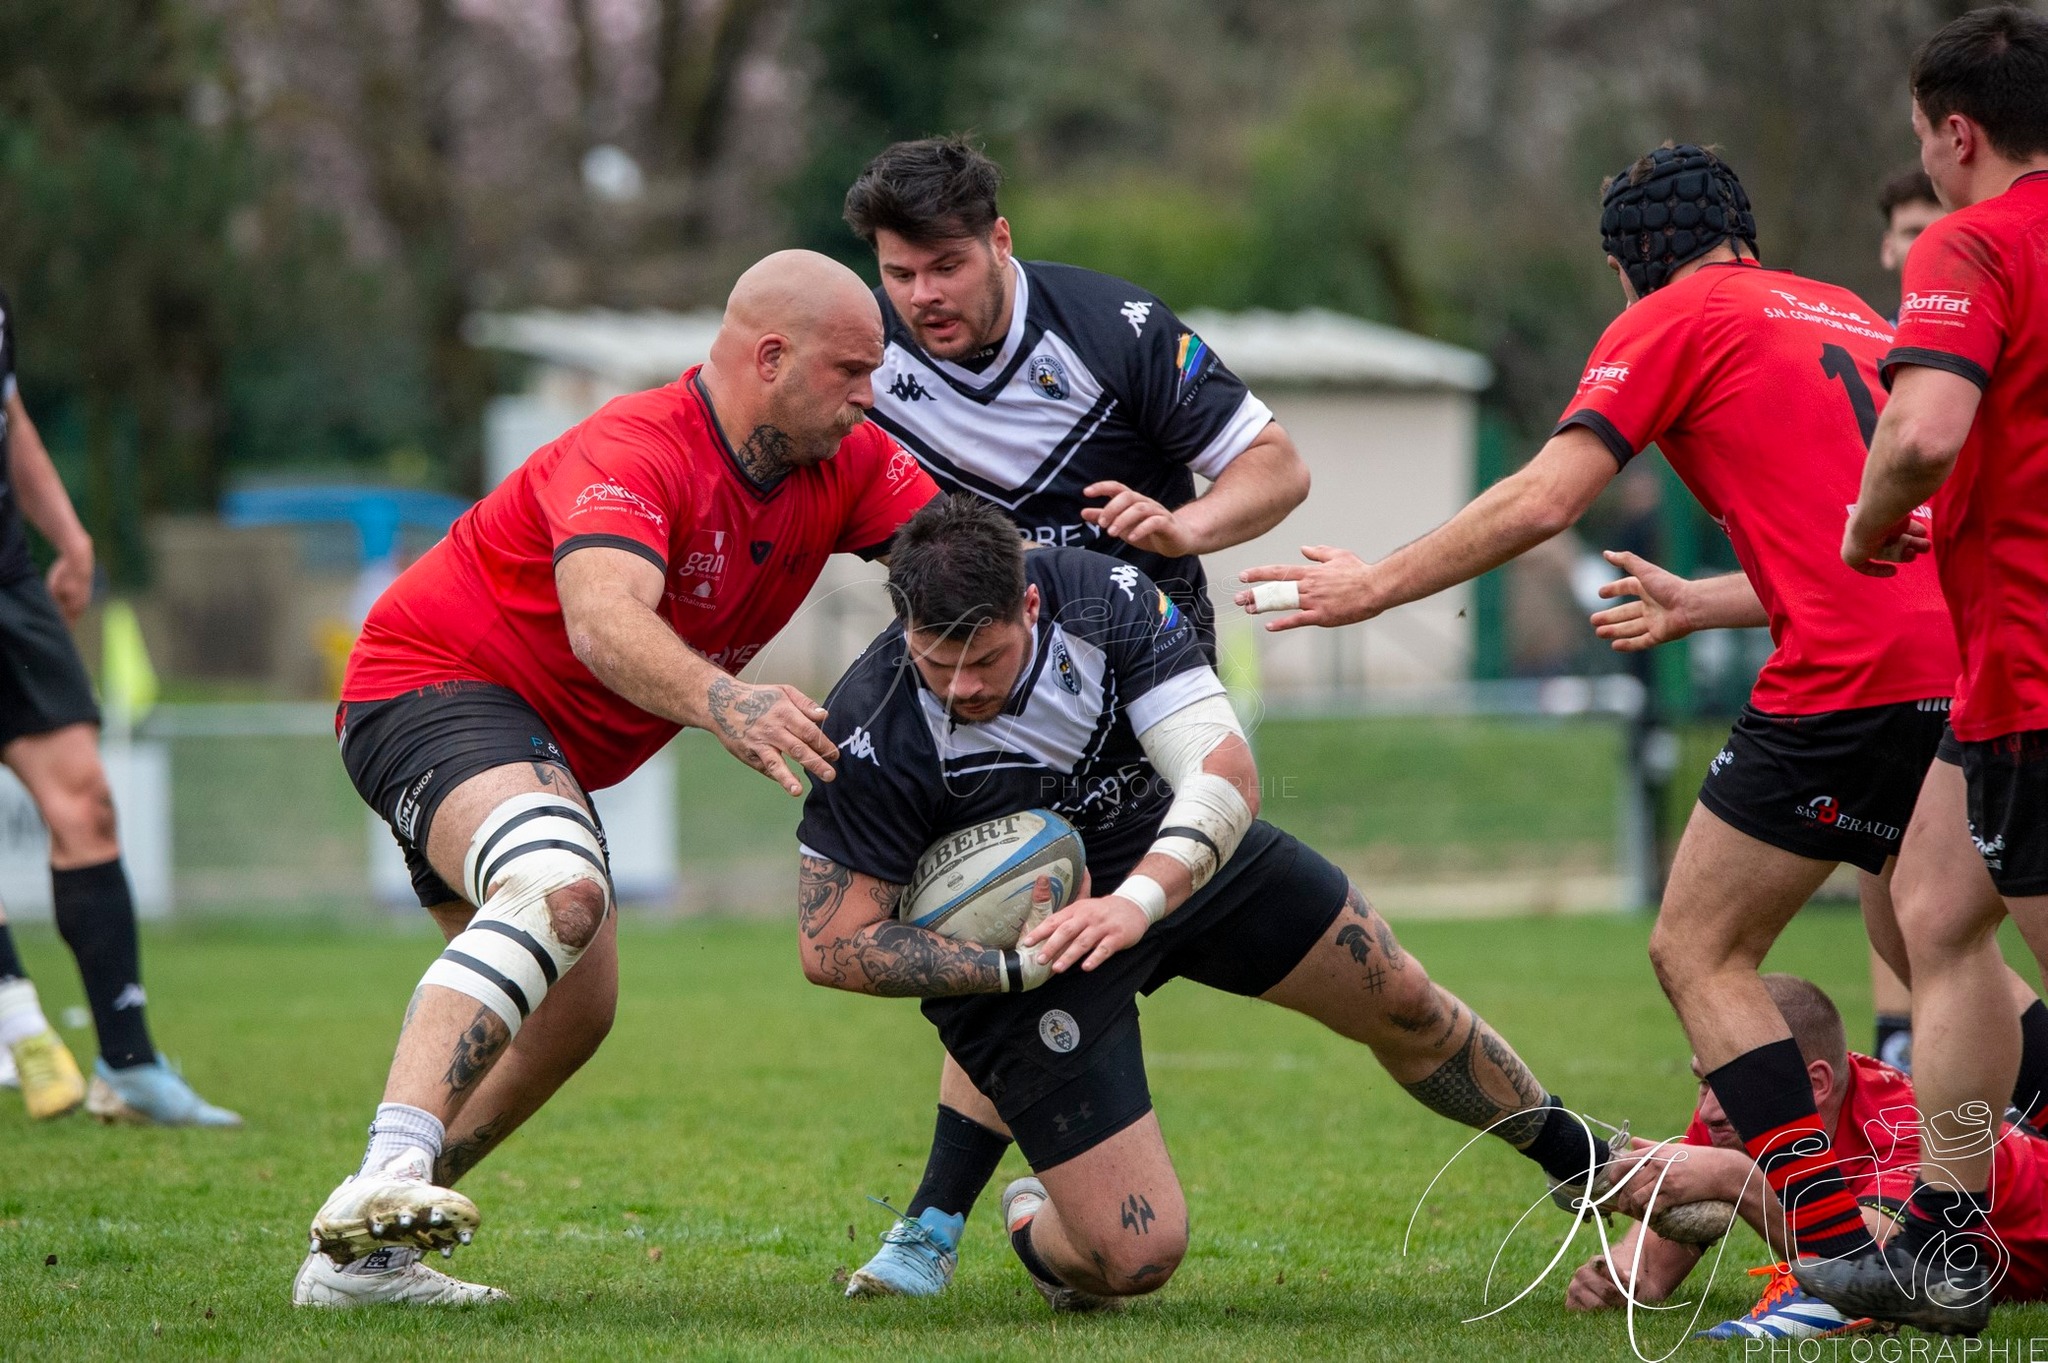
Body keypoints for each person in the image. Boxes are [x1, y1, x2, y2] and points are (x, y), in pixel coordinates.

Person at [1238, 142, 2048, 1283]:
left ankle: (1827, 1254)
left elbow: (1544, 495)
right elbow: (1862, 528)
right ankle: (1960, 1215)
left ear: (1626, 271)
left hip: (1850, 676)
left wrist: (1368, 585)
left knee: (1698, 948)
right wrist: (1703, 602)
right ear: (1746, 237)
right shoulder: (1845, 312)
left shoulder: (1670, 314)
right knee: (1930, 936)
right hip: (1961, 660)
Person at [293, 250, 939, 1308]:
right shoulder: (635, 446)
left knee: (574, 1010)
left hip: (535, 748)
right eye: (852, 370)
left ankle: (360, 1253)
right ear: (769, 358)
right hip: (429, 687)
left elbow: (953, 557)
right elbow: (601, 620)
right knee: (559, 887)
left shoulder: (849, 463)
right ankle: (391, 1169)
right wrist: (730, 701)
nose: (871, 395)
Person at [793, 495, 1615, 1313]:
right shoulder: (872, 723)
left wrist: (1136, 902)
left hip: (1177, 854)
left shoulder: (1102, 598)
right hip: (1039, 945)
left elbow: (1227, 774)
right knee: (1139, 1257)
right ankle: (1033, 1225)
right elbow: (830, 943)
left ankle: (1593, 1163)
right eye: (941, 665)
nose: (965, 686)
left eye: (988, 659)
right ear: (904, 630)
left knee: (1402, 997)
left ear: (1030, 605)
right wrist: (1011, 963)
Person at [834, 136, 1312, 1296]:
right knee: (1020, 906)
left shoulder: (1113, 328)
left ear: (999, 239)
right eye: (898, 273)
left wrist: (1180, 526)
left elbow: (1277, 469)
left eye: (943, 265)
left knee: (1380, 984)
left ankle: (935, 1222)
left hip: (1144, 708)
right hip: (993, 714)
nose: (920, 297)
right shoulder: (871, 365)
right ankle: (942, 1224)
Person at [1793, 7, 2048, 1336]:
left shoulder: (1975, 239)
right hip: (2003, 681)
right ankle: (1948, 1239)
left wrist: (1870, 513)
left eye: (1922, 141)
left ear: (1958, 133)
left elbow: (1926, 424)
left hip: (2036, 668)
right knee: (1935, 903)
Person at [0, 288, 239, 1128]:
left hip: (11, 586)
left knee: (87, 807)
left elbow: (10, 414)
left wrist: (68, 534)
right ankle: (15, 1015)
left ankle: (127, 1065)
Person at [1565, 975, 2048, 1341]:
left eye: (1726, 1085)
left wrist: (1740, 1180)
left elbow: (1886, 1266)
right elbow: (1644, 1274)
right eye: (1703, 1080)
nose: (1707, 1111)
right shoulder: (1736, 1111)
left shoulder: (1908, 1121)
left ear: (1816, 1084)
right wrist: (1621, 1276)